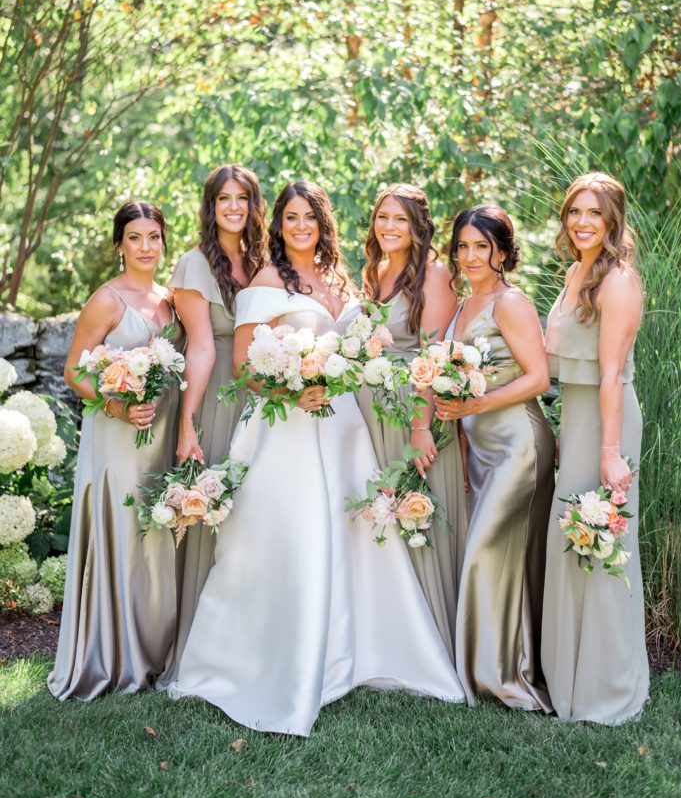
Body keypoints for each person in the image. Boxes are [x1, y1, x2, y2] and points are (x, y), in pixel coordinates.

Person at [169, 181, 464, 735]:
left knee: (352, 535)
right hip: (289, 431)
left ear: (322, 223)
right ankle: (276, 660)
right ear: (277, 226)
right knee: (297, 540)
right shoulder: (265, 281)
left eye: (309, 217)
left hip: (348, 428)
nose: (300, 226)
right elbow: (247, 367)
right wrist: (292, 389)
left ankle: (359, 650)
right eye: (290, 218)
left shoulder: (341, 278)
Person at [48, 202, 179, 700]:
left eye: (153, 237)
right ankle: (115, 655)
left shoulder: (169, 300)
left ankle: (155, 649)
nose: (145, 247)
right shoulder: (106, 300)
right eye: (134, 238)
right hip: (119, 436)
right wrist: (117, 404)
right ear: (119, 245)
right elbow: (73, 370)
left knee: (157, 535)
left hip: (161, 433)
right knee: (125, 532)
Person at [434, 205, 555, 711]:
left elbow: (538, 378)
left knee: (487, 552)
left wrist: (475, 404)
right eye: (462, 246)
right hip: (479, 447)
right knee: (499, 558)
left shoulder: (510, 302)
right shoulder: (461, 305)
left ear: (501, 251)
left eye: (481, 246)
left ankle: (502, 676)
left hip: (518, 445)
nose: (470, 256)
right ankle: (499, 663)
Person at [541, 172, 649, 723]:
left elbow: (610, 377)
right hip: (578, 420)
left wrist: (610, 453)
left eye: (594, 213)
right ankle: (569, 682)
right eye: (574, 212)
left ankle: (606, 688)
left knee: (601, 544)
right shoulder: (574, 272)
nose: (582, 222)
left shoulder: (618, 281)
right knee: (572, 539)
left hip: (607, 422)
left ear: (613, 220)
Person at [159, 165, 267, 684]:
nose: (233, 207)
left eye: (241, 198)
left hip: (265, 393)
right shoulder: (195, 264)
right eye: (223, 198)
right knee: (215, 512)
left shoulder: (263, 260)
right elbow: (200, 347)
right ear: (210, 205)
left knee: (256, 515)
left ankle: (253, 643)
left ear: (253, 205)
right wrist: (188, 425)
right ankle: (200, 653)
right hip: (219, 393)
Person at [359, 183, 466, 660]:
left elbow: (434, 357)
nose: (389, 227)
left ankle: (438, 641)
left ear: (418, 225)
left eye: (400, 219)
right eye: (383, 217)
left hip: (414, 411)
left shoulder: (435, 275)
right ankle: (393, 639)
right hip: (375, 413)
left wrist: (422, 427)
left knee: (423, 510)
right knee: (388, 512)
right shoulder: (374, 271)